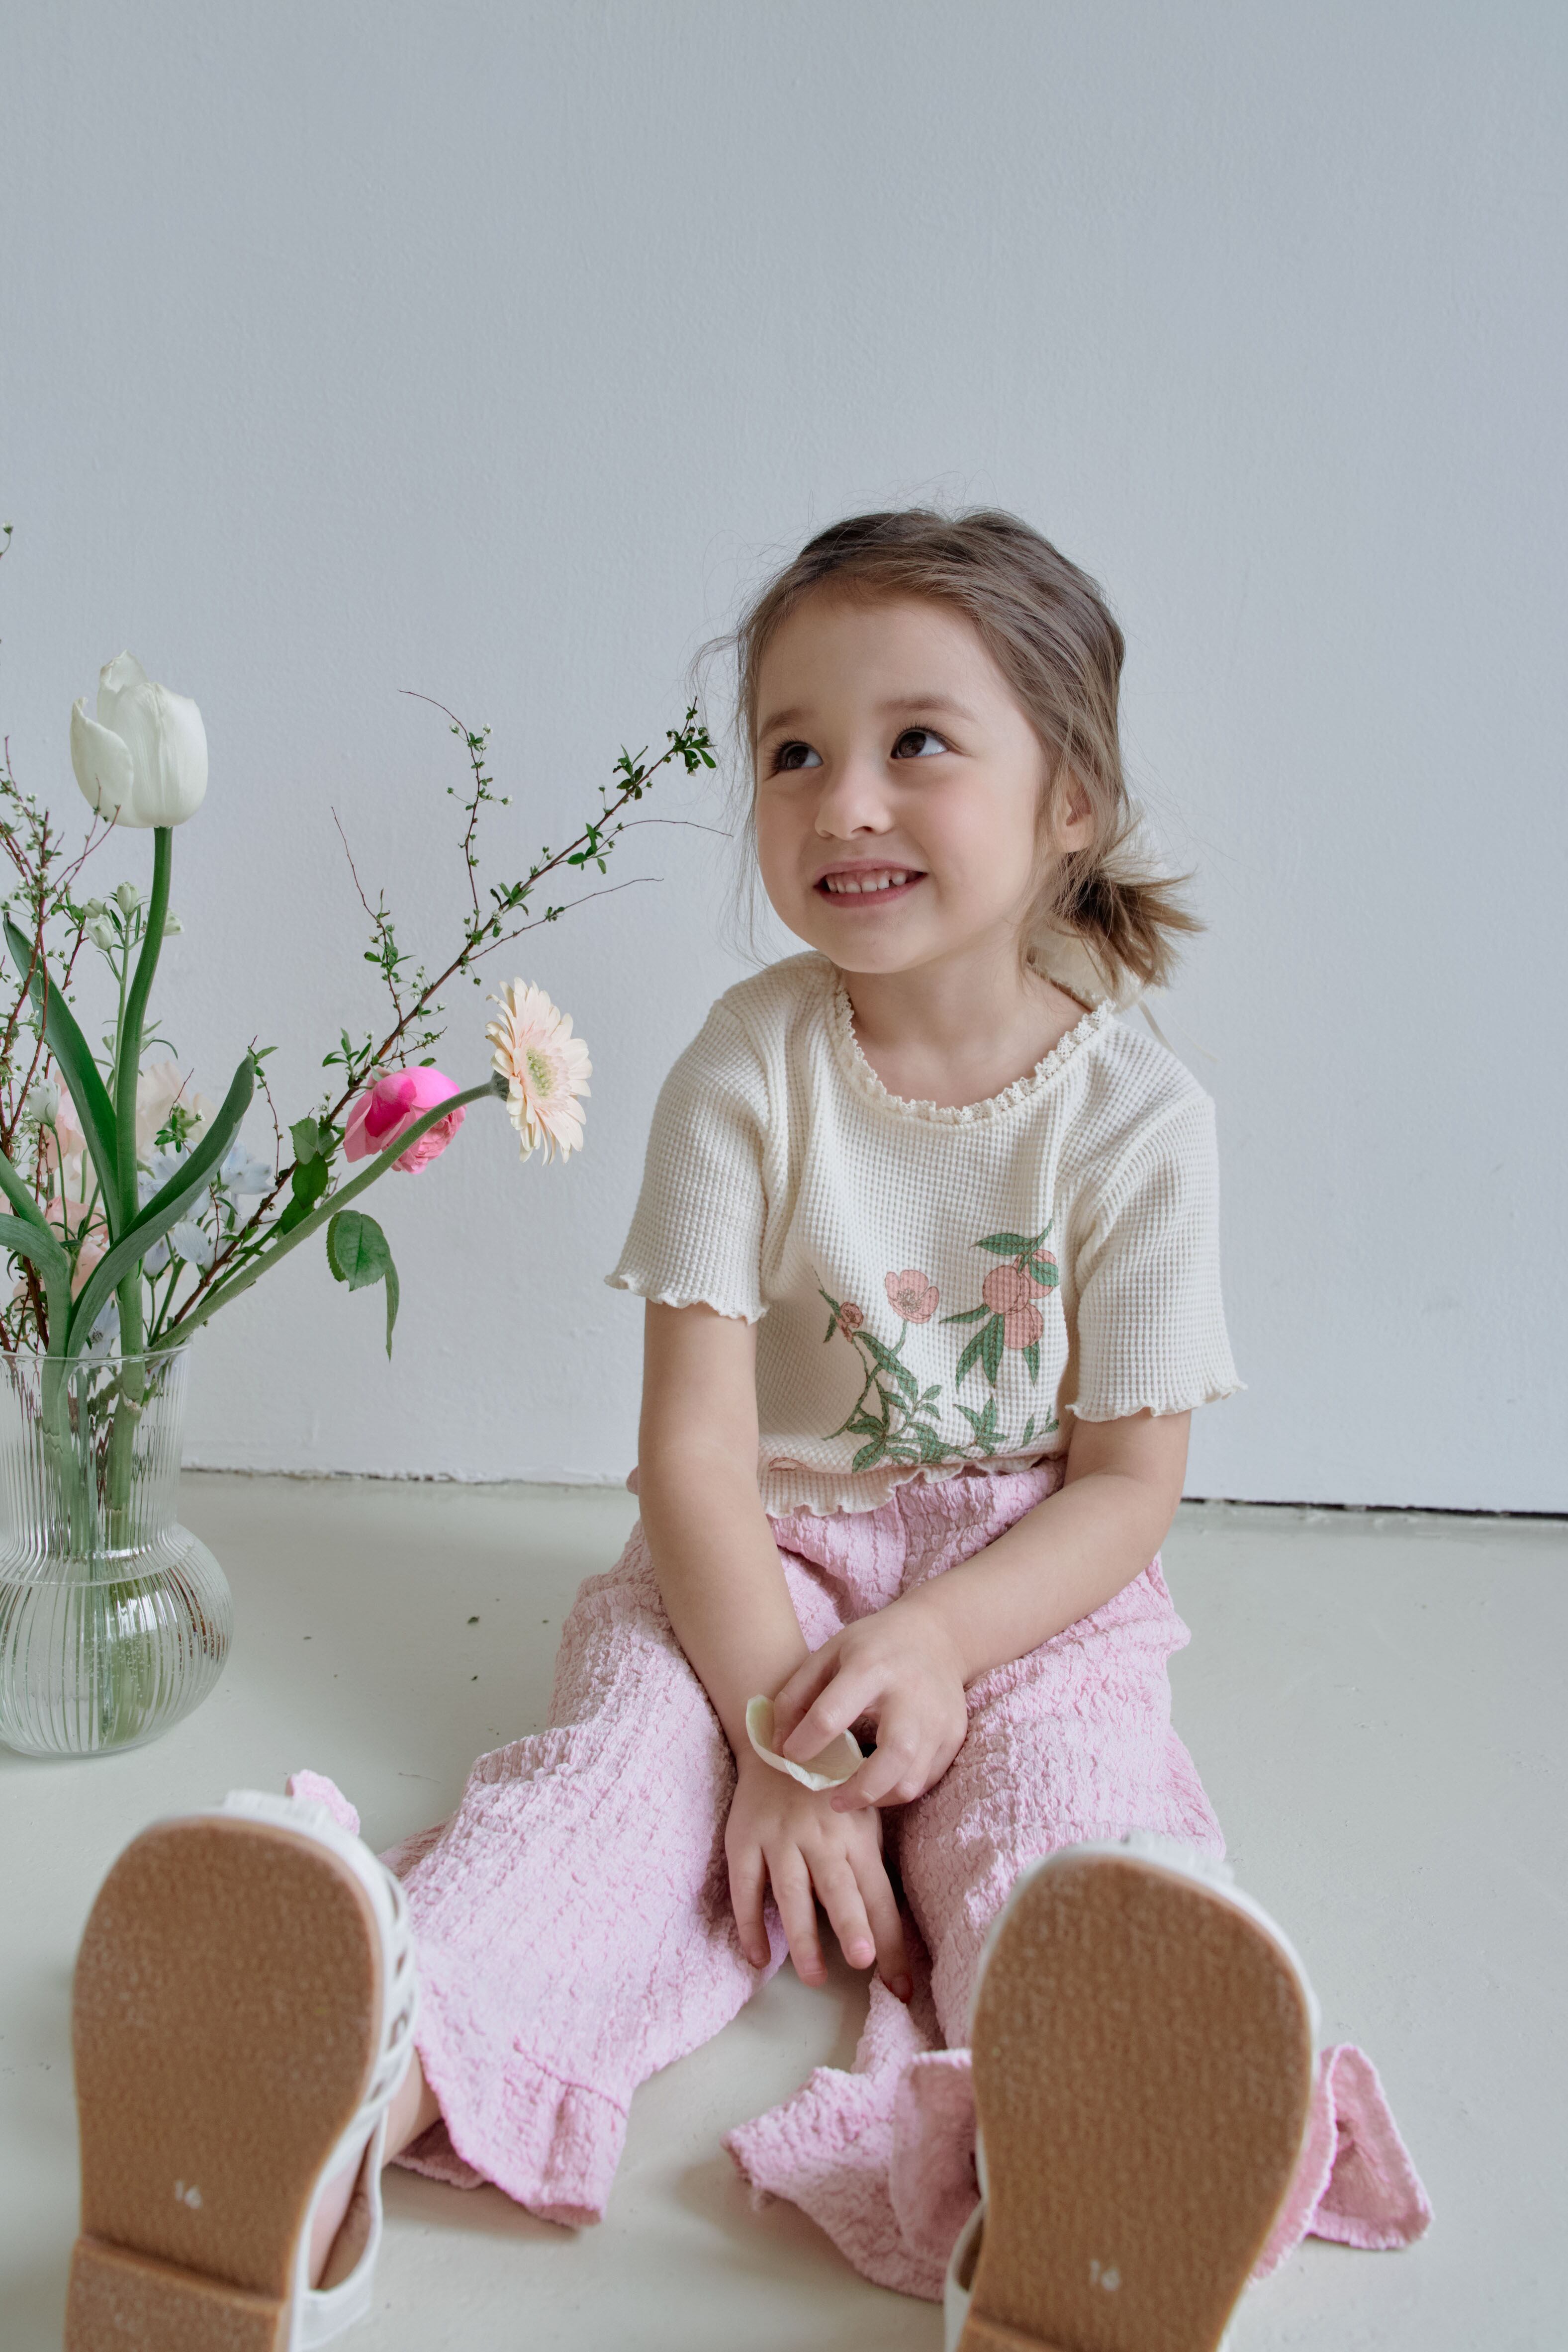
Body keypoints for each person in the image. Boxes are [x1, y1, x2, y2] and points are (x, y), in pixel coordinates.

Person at [66, 510, 1428, 2352]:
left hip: (1024, 1602)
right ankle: (316, 2125)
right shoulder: (746, 1068)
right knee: (603, 1812)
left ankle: (1089, 2195)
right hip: (747, 1572)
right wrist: (776, 1729)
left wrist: (938, 1643)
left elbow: (1123, 1489)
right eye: (792, 751)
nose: (841, 799)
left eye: (915, 741)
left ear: (1073, 799)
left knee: (1061, 1849)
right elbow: (694, 1462)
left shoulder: (1138, 1121)